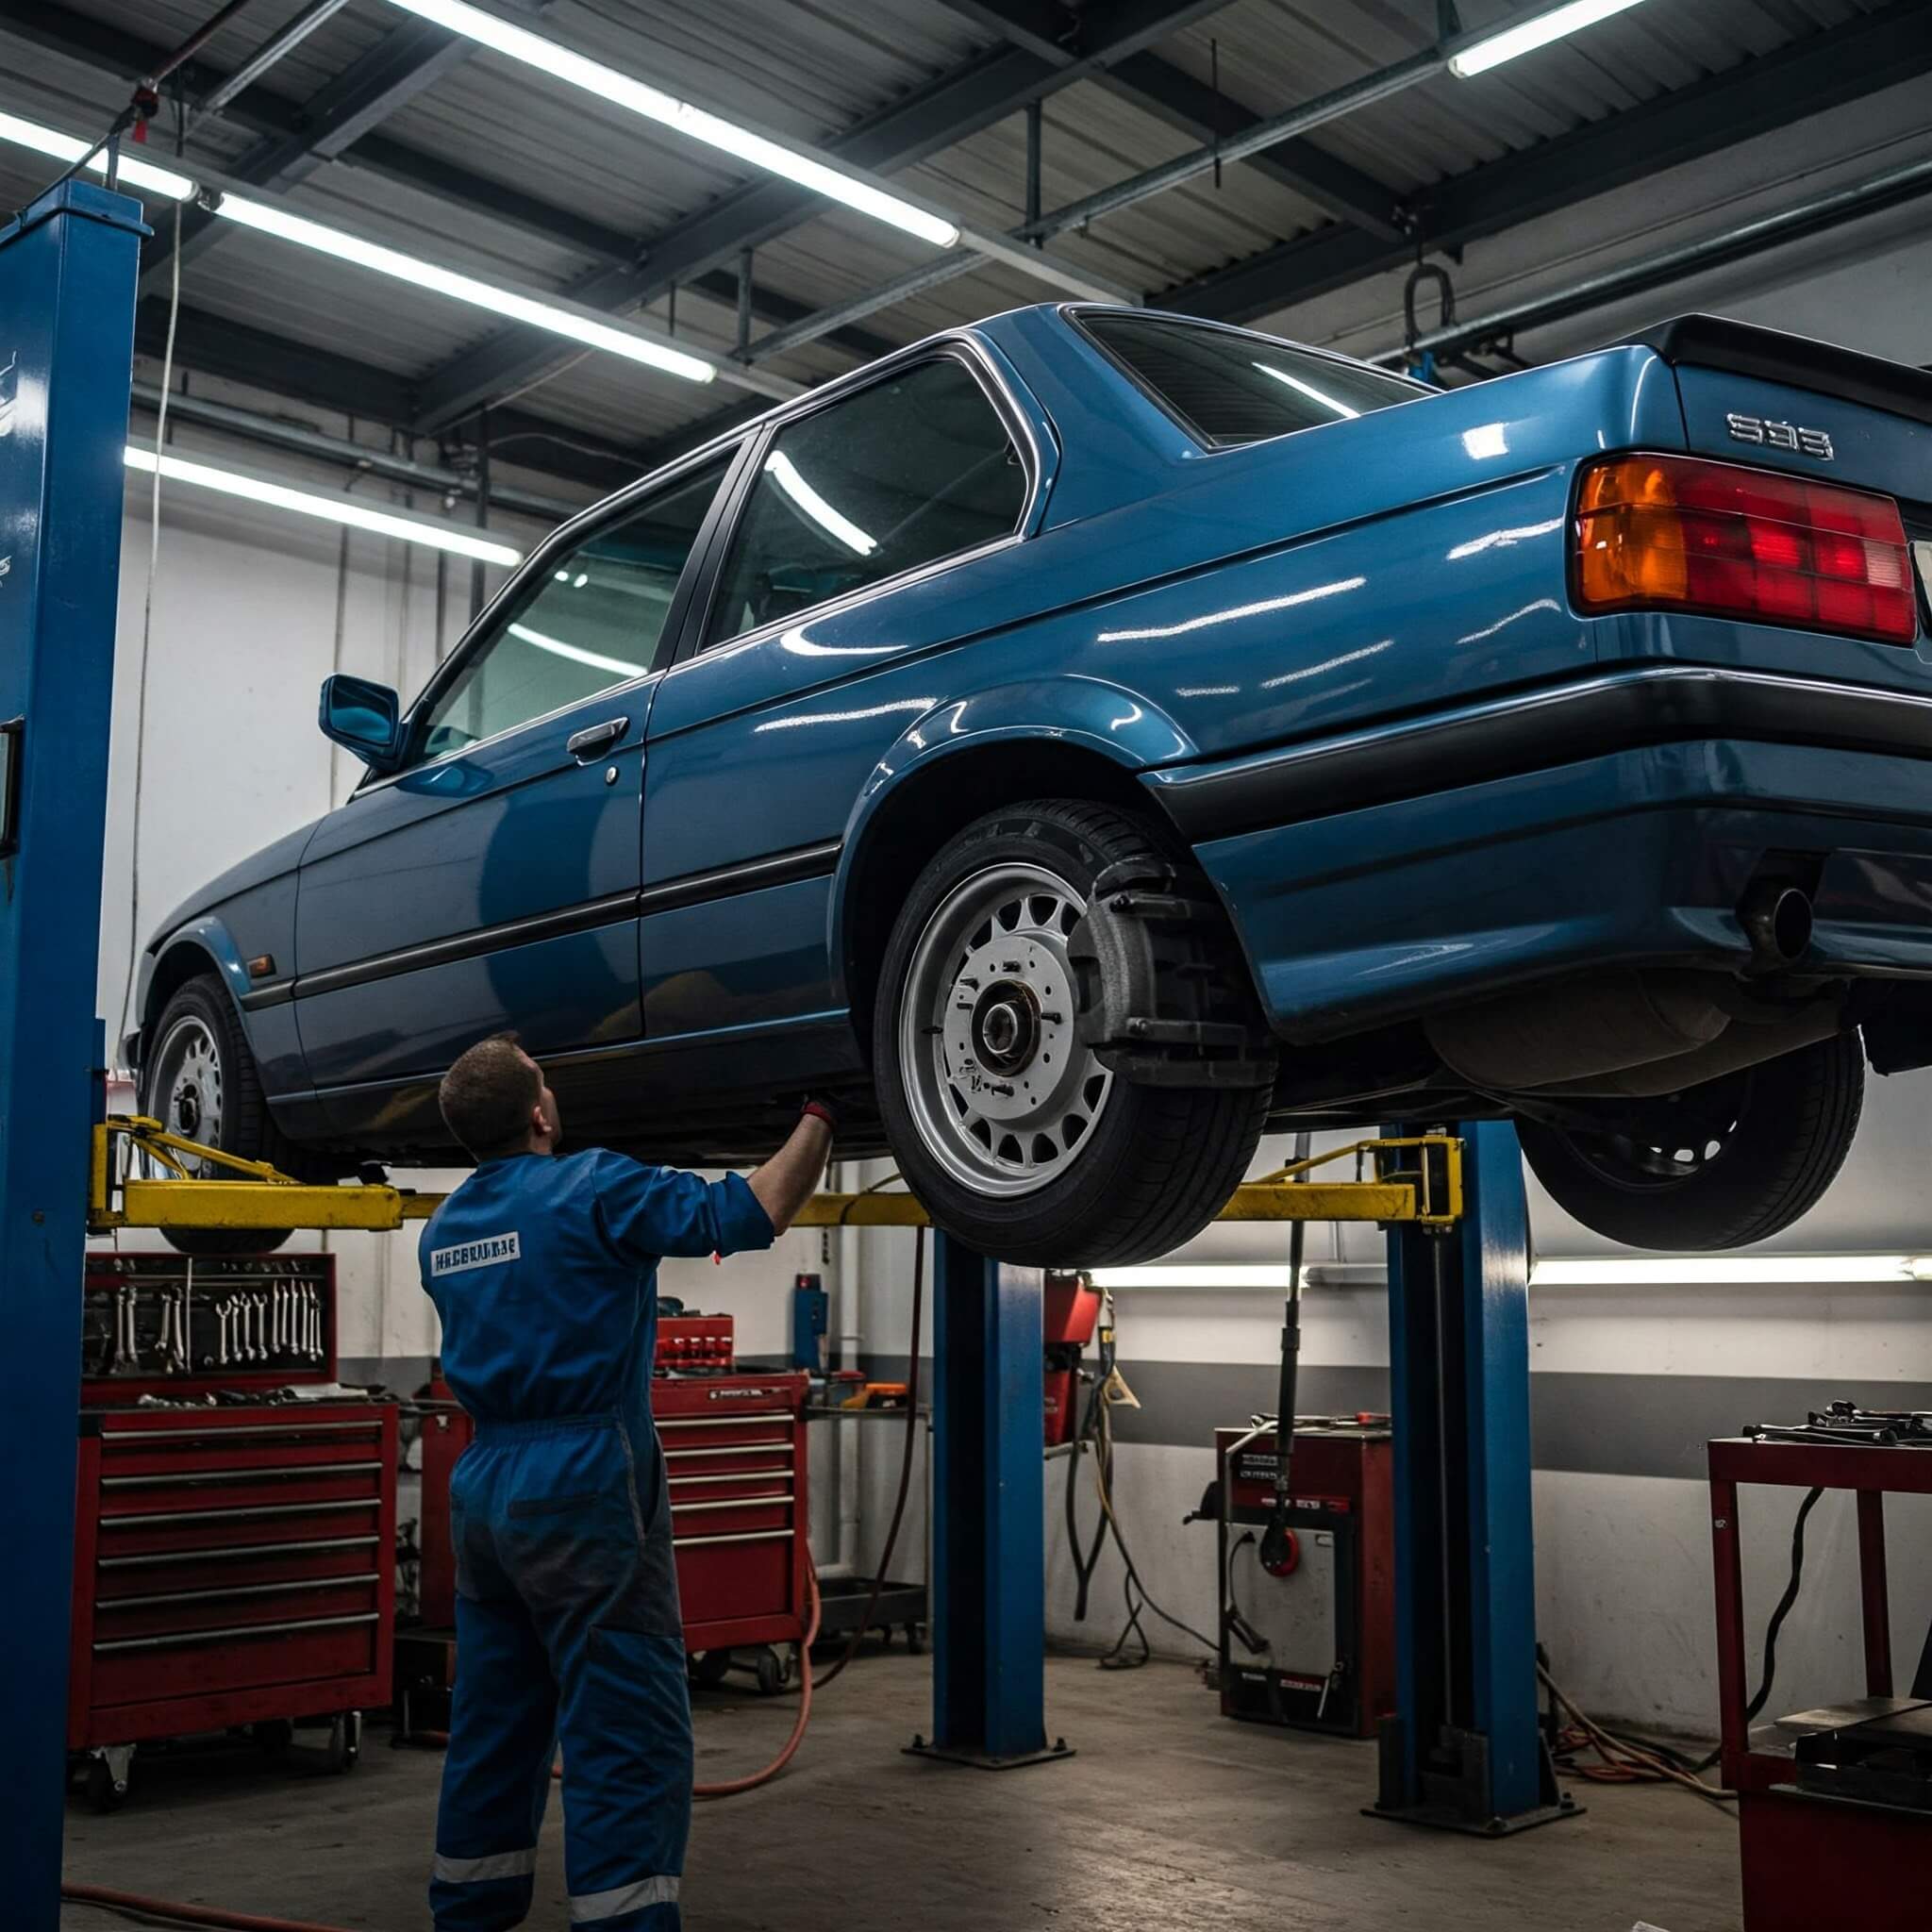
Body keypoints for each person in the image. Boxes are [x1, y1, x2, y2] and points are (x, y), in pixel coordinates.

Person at [419, 1033, 834, 1932]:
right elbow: (754, 1211)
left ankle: (468, 1914)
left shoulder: (443, 1232)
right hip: (583, 1481)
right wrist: (823, 1113)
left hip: (485, 1489)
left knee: (495, 1725)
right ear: (540, 1113)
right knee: (624, 1730)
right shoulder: (595, 1185)